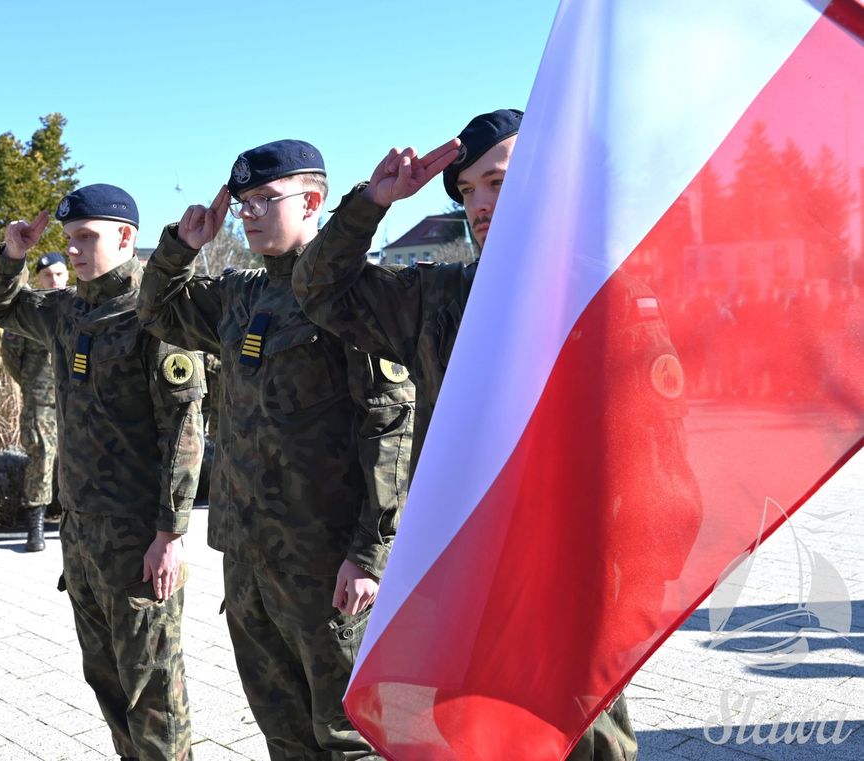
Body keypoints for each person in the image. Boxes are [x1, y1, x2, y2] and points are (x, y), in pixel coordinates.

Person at [292, 110, 702, 759]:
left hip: (570, 609)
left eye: (498, 183)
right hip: (464, 603)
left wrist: (618, 612)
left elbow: (662, 482)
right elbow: (317, 289)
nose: (478, 204)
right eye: (468, 191)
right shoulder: (442, 297)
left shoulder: (606, 298)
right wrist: (373, 204)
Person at [136, 140, 414, 759]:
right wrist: (184, 247)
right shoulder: (241, 293)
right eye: (243, 204)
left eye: (266, 199)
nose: (250, 214)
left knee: (349, 735)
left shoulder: (352, 295)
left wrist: (370, 554)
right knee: (282, 731)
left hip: (327, 564)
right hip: (250, 559)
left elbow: (388, 429)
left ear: (313, 201)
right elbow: (156, 312)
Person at [0, 183, 204, 761]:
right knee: (105, 679)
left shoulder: (154, 313)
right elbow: (2, 309)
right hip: (80, 532)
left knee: (152, 690)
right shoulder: (67, 310)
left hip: (139, 535)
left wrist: (170, 534)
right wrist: (13, 256)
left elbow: (182, 430)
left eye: (87, 237)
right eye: (69, 239)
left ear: (126, 238)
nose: (75, 250)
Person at [0, 251, 68, 552]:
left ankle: (72, 521)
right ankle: (35, 526)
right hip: (40, 399)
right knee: (41, 455)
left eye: (58, 274)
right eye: (47, 275)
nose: (53, 280)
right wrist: (31, 384)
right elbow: (11, 357)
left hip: (76, 399)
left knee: (76, 458)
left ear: (66, 275)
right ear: (39, 278)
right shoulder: (29, 312)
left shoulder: (81, 305)